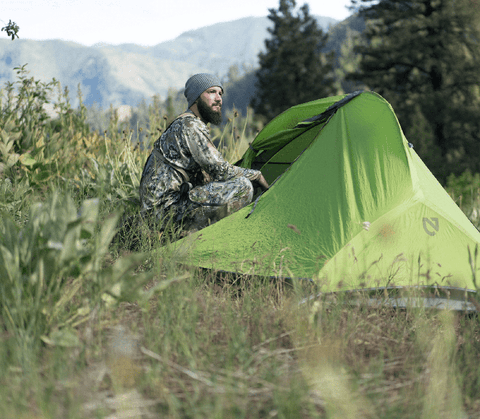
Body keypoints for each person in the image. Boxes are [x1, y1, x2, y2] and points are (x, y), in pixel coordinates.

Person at [139, 73, 269, 233]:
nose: (219, 98)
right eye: (211, 92)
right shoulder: (190, 126)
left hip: (165, 206)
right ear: (196, 97)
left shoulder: (186, 123)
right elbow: (221, 170)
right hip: (164, 211)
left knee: (227, 184)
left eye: (220, 93)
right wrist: (256, 175)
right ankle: (206, 238)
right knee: (242, 186)